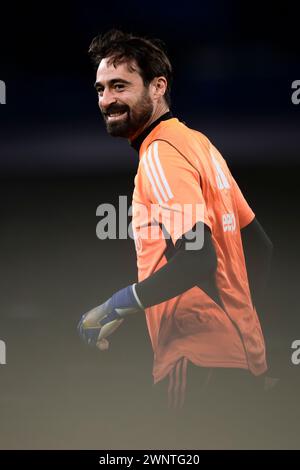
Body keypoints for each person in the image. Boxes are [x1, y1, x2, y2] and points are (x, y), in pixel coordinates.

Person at [77, 29, 273, 417]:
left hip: (197, 354)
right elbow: (261, 246)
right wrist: (246, 330)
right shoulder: (199, 144)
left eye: (120, 86)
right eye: (100, 89)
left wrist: (116, 306)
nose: (107, 100)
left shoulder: (160, 154)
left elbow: (198, 259)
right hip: (240, 359)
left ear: (157, 87)